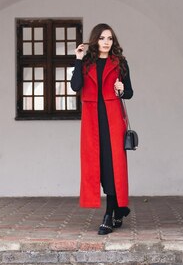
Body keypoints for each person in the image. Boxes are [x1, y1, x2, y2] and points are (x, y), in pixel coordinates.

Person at [70, 23, 134, 235]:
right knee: (96, 165)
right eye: (102, 38)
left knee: (112, 165)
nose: (106, 42)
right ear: (95, 40)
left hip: (113, 120)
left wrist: (122, 89)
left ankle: (110, 213)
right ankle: (119, 208)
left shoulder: (119, 63)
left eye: (110, 38)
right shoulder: (86, 63)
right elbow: (76, 86)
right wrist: (78, 60)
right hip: (91, 121)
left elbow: (129, 93)